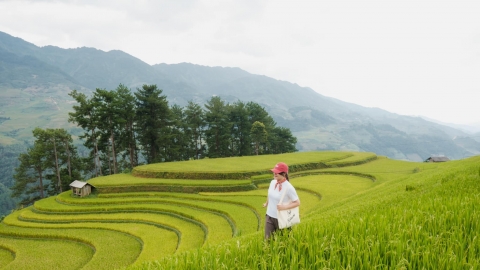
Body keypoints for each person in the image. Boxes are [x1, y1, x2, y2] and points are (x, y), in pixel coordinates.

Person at [262, 162, 300, 239]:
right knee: (267, 240)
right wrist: (267, 203)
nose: (275, 173)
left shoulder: (289, 187)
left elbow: (297, 202)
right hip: (269, 216)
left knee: (284, 241)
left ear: (284, 174)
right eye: (274, 171)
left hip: (282, 218)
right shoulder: (272, 182)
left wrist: (283, 207)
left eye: (277, 172)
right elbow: (270, 194)